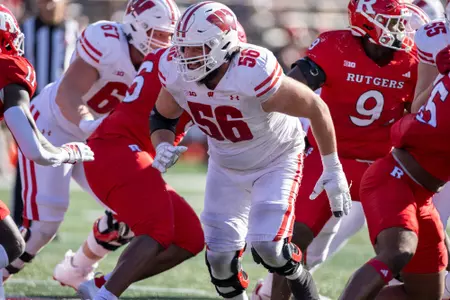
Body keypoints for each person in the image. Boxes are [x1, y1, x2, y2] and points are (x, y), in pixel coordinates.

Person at [151, 2, 351, 300]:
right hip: (225, 163)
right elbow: (163, 116)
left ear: (224, 44)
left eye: (197, 48)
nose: (186, 56)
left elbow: (315, 106)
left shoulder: (252, 70)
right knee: (219, 262)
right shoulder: (175, 69)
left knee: (271, 249)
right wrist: (163, 144)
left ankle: (305, 292)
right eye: (183, 48)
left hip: (275, 159)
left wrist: (332, 167)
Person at [54, 19, 249, 292]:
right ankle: (106, 295)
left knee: (190, 238)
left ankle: (99, 286)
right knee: (156, 229)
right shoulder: (185, 69)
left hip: (129, 151)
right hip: (117, 148)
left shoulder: (172, 58)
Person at [253, 0, 425, 299]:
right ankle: (270, 296)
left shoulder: (411, 60)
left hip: (383, 165)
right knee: (292, 241)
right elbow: (292, 87)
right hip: (330, 158)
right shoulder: (337, 46)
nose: (401, 30)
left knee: (404, 249)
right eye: (393, 22)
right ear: (368, 23)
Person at [2, 0, 177, 283]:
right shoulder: (107, 40)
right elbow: (68, 94)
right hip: (55, 124)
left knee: (133, 210)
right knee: (44, 226)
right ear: (135, 26)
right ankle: (1, 272)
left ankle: (77, 268)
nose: (163, 42)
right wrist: (87, 123)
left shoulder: (166, 62)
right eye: (157, 33)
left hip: (100, 137)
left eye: (168, 35)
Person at [339, 42, 450, 300]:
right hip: (395, 178)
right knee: (399, 250)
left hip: (422, 193)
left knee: (425, 296)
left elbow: (410, 123)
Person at [0, 4, 93, 297]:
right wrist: (69, 153)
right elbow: (36, 151)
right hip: (44, 129)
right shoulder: (10, 65)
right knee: (11, 245)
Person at [11, 0, 79, 227]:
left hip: (61, 110)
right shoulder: (24, 29)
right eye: (44, 0)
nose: (49, 5)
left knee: (57, 165)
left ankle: (48, 223)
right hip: (29, 106)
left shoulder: (73, 29)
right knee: (26, 162)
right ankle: (22, 217)